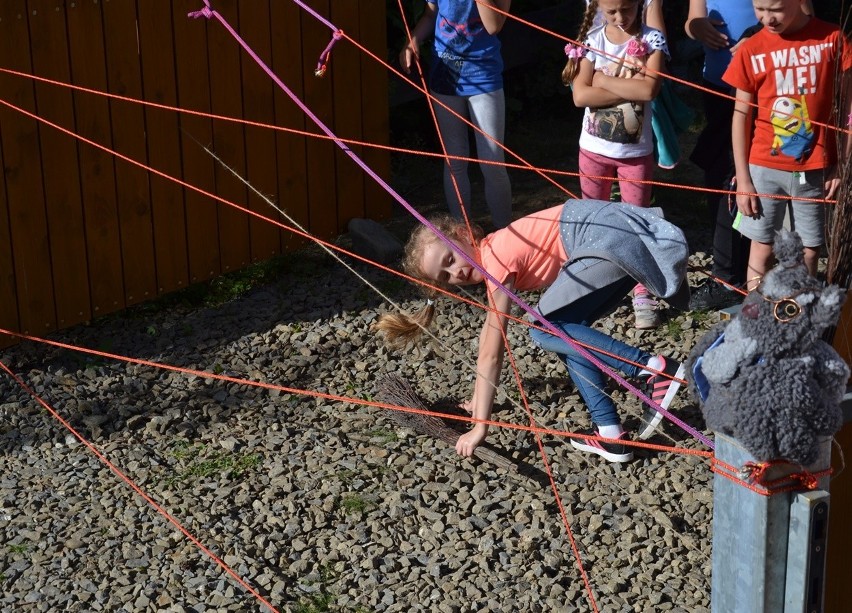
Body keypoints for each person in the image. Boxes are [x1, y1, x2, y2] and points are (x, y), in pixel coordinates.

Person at [376, 199, 689, 462]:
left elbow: (491, 351)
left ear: (463, 234)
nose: (455, 272)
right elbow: (488, 336)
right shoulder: (494, 260)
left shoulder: (496, 255)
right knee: (566, 334)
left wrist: (480, 427)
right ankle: (609, 431)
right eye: (445, 276)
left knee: (543, 329)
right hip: (613, 237)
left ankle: (652, 369)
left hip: (608, 236)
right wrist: (476, 400)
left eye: (450, 258)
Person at [723, 0, 852, 289]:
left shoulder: (831, 39)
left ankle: (800, 314)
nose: (767, 18)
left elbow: (848, 109)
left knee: (809, 248)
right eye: (759, 8)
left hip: (815, 166)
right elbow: (741, 115)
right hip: (764, 166)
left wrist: (841, 165)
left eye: (776, 9)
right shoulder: (751, 48)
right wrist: (743, 178)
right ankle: (757, 317)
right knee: (762, 245)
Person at [563, 0, 670, 329]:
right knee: (592, 218)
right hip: (593, 150)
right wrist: (624, 87)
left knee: (637, 221)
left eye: (626, 10)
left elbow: (649, 89)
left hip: (634, 154)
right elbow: (580, 96)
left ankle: (642, 288)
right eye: (611, 12)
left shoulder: (652, 40)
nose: (620, 18)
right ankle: (593, 282)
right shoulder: (593, 39)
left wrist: (603, 81)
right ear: (597, 7)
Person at [399, 0, 513, 229]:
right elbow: (430, 16)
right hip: (444, 79)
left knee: (492, 162)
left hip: (484, 79)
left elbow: (493, 25)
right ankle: (462, 233)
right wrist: (412, 40)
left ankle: (505, 232)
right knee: (455, 159)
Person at [684, 0, 759, 310]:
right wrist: (697, 27)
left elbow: (798, 13)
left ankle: (729, 275)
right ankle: (729, 267)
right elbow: (693, 19)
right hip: (716, 82)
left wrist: (757, 35)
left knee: (736, 172)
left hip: (755, 85)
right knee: (718, 170)